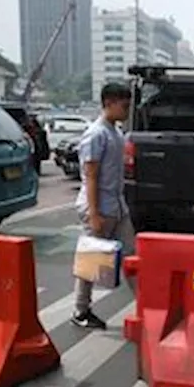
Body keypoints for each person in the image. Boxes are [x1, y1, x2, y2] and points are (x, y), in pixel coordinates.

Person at [71, 82, 135, 330]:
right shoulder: (96, 134)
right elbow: (91, 176)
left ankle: (146, 307)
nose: (127, 110)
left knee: (132, 257)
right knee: (92, 260)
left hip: (117, 207)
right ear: (109, 103)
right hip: (99, 208)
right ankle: (80, 309)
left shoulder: (115, 132)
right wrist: (95, 214)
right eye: (124, 105)